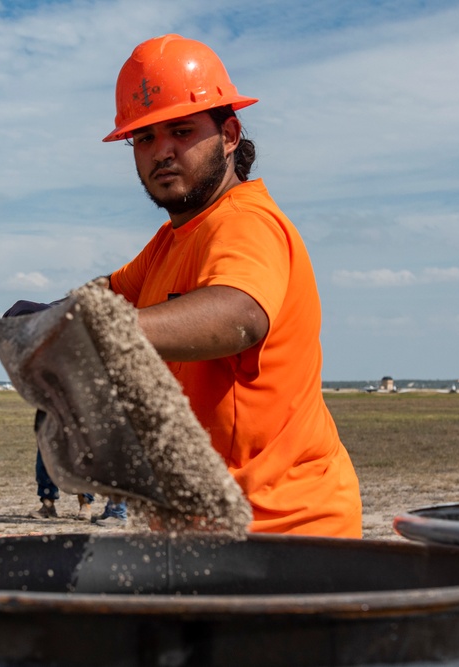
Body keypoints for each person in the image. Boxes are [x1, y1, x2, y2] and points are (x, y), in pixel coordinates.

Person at [99, 35, 362, 537]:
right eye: (145, 138)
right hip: (211, 532)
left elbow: (237, 314)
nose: (162, 152)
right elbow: (107, 295)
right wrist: (50, 316)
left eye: (180, 130)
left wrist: (95, 329)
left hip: (282, 533)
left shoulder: (244, 222)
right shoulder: (172, 241)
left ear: (230, 133)